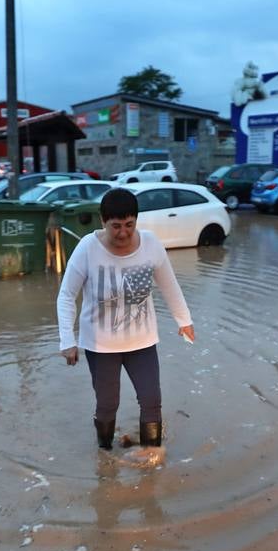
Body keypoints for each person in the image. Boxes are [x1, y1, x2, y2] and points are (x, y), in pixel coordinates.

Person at [56, 188, 195, 450]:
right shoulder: (87, 248)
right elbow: (66, 296)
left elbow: (169, 285)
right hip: (101, 344)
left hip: (142, 342)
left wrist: (183, 320)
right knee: (108, 404)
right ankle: (105, 456)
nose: (123, 232)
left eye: (129, 225)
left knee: (151, 399)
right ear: (103, 221)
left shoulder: (151, 244)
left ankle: (152, 456)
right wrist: (67, 340)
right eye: (116, 226)